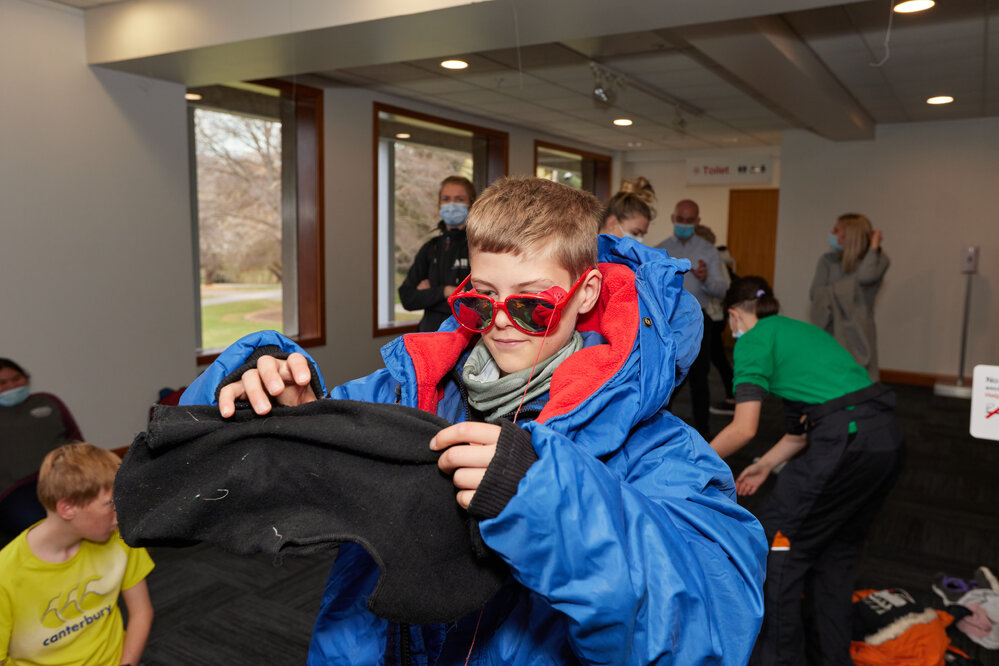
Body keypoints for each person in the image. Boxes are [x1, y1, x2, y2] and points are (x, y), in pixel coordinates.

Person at [181, 176, 767, 664]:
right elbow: (232, 468)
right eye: (481, 300)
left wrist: (545, 499)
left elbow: (706, 632)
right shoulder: (409, 392)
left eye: (533, 304)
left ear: (586, 294)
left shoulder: (661, 452)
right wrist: (265, 387)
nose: (502, 323)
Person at [710, 276, 905, 666]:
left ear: (733, 314)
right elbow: (799, 435)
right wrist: (764, 465)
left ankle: (778, 659)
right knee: (835, 554)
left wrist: (692, 461)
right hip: (886, 440)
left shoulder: (752, 340)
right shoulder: (798, 331)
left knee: (780, 546)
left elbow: (743, 428)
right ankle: (831, 658)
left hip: (845, 439)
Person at [0, 442, 155, 666]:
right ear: (68, 508)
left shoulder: (118, 537)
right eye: (110, 504)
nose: (119, 515)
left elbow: (142, 613)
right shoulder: (6, 574)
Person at [655, 199, 728, 437]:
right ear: (673, 218)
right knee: (665, 379)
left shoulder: (708, 251)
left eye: (690, 221)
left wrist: (705, 278)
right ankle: (660, 432)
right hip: (667, 321)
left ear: (697, 221)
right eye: (681, 220)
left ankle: (704, 434)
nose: (684, 224)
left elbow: (722, 290)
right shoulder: (660, 249)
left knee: (699, 380)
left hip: (699, 321)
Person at [0, 358, 84, 544]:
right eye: (2, 383)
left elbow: (75, 438)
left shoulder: (48, 401)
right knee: (40, 524)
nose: (11, 386)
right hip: (15, 490)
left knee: (96, 509)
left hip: (64, 477)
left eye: (16, 379)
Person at [809, 213, 889, 381]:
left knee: (859, 381)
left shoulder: (877, 261)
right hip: (830, 328)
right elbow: (815, 294)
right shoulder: (827, 261)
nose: (832, 233)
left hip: (859, 332)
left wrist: (873, 247)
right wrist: (848, 289)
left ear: (850, 235)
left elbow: (865, 277)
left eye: (836, 230)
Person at [398, 175, 477, 332]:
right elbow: (407, 298)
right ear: (439, 205)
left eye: (459, 199)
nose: (452, 204)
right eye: (446, 199)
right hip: (429, 337)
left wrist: (428, 296)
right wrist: (445, 291)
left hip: (468, 340)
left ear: (471, 205)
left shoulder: (479, 247)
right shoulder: (430, 248)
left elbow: (475, 304)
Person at [693, 225, 736, 416]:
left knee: (713, 361)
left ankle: (733, 396)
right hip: (711, 316)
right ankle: (733, 395)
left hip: (711, 316)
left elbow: (722, 287)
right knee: (716, 359)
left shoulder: (712, 258)